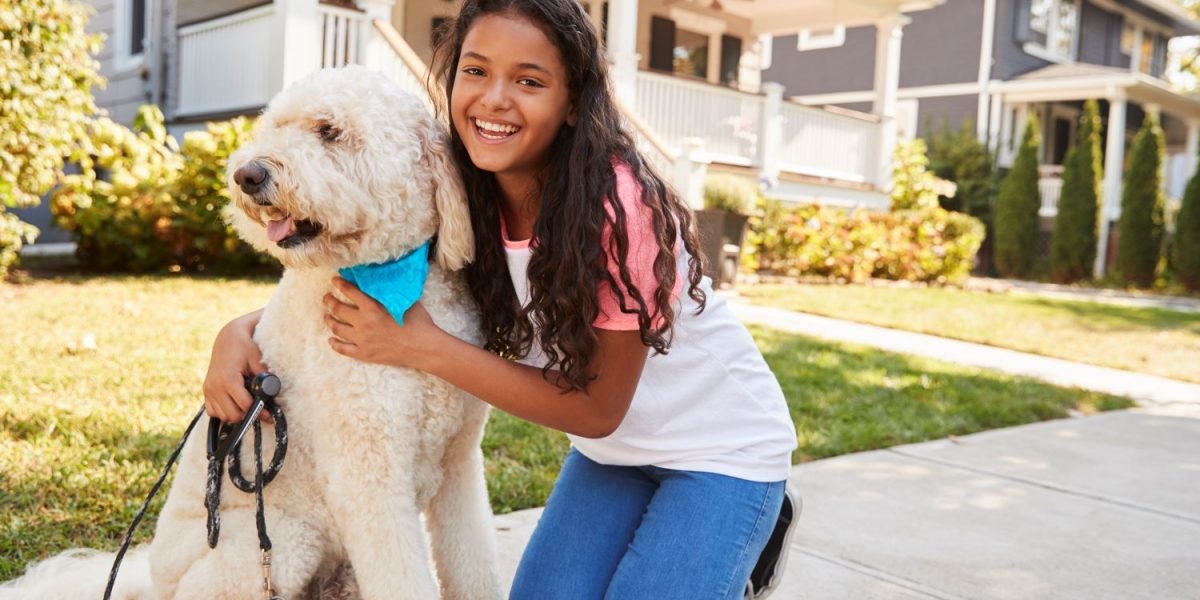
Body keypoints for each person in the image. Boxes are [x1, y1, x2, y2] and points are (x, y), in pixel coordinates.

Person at [203, 0, 798, 597]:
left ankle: (748, 537)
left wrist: (426, 350)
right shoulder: (466, 177)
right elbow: (380, 277)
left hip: (721, 450)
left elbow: (596, 408)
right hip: (613, 456)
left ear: (572, 103)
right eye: (476, 70)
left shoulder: (618, 207)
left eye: (530, 81)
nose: (494, 99)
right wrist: (241, 332)